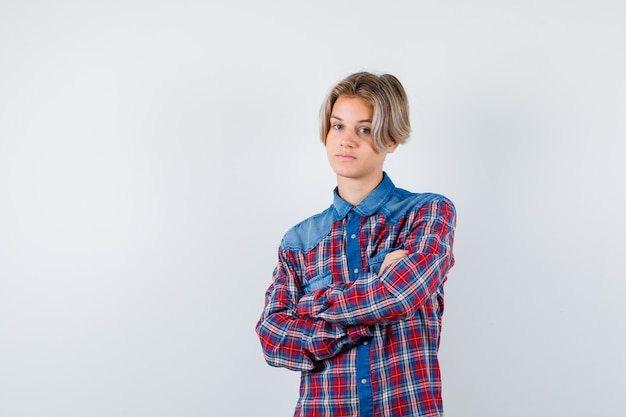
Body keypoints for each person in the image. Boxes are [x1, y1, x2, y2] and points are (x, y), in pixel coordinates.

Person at [255, 71, 456, 417]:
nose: (347, 141)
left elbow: (400, 294)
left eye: (363, 129)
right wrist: (376, 288)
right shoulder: (298, 241)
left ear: (390, 140)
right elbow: (273, 339)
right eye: (338, 126)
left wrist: (307, 306)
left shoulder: (428, 212)